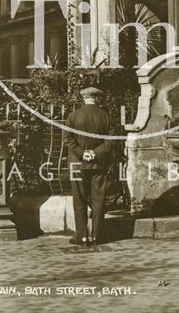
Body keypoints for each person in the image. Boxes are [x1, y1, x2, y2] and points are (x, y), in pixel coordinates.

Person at [64, 87, 114, 245]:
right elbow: (111, 141)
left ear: (83, 98)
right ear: (97, 98)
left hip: (78, 164)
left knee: (79, 199)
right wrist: (95, 153)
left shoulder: (73, 116)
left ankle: (82, 235)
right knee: (98, 200)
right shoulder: (106, 117)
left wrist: (82, 153)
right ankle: (96, 236)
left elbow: (67, 138)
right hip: (98, 165)